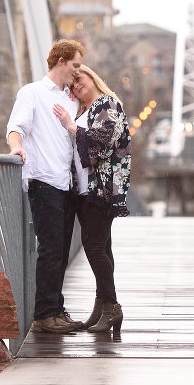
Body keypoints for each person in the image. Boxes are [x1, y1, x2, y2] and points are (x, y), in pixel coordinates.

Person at [6, 39, 85, 334]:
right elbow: (16, 127)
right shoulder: (32, 93)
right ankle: (43, 315)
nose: (77, 73)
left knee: (62, 250)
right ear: (61, 61)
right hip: (42, 180)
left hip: (65, 184)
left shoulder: (71, 100)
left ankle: (55, 308)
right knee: (51, 248)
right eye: (75, 65)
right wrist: (16, 148)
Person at [53, 65, 131, 333]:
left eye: (79, 78)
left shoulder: (106, 103)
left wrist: (71, 127)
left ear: (92, 76)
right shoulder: (85, 111)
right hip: (86, 190)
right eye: (72, 84)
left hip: (102, 189)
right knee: (102, 247)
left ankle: (112, 307)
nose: (76, 85)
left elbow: (105, 140)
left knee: (94, 247)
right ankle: (101, 306)